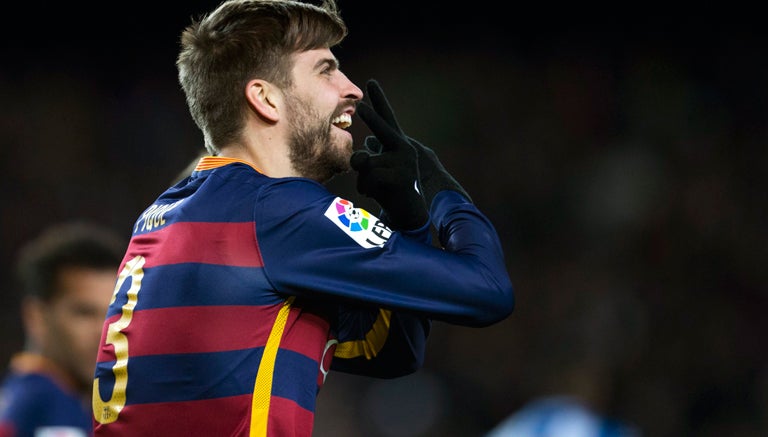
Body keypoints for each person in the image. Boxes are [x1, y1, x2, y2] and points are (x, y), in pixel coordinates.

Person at [91, 0, 514, 436]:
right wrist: (439, 186)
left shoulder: (164, 214)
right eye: (325, 70)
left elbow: (389, 354)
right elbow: (489, 289)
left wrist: (408, 220)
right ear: (265, 98)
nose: (351, 88)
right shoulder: (276, 210)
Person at [0, 222, 126, 437]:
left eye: (112, 314)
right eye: (84, 313)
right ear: (36, 317)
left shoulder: (26, 398)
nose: (104, 331)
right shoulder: (46, 412)